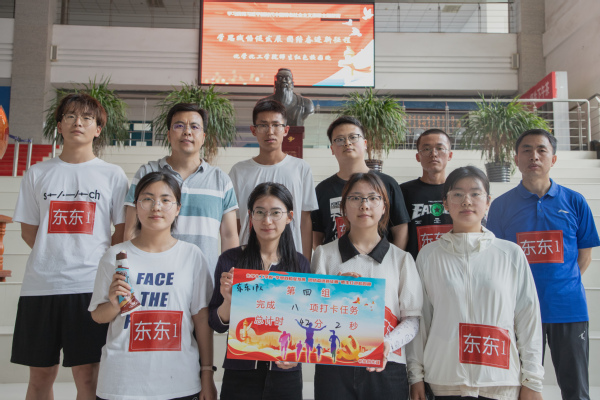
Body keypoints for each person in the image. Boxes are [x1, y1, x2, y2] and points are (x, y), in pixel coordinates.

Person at [10, 93, 129, 399]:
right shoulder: (38, 173)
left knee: (88, 377)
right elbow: (29, 232)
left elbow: (121, 233)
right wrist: (54, 256)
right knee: (40, 377)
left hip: (89, 288)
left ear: (98, 129)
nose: (78, 122)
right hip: (40, 288)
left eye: (87, 118)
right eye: (70, 116)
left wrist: (93, 264)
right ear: (59, 125)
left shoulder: (112, 175)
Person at [407, 166, 544, 400]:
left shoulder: (510, 254)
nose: (466, 201)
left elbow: (527, 319)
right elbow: (421, 321)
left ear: (488, 201)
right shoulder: (429, 255)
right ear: (445, 203)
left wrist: (533, 380)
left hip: (499, 383)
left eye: (475, 193)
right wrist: (415, 376)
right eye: (458, 194)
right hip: (444, 381)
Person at [486, 129, 600, 400]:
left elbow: (584, 255)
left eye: (541, 150)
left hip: (568, 310)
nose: (534, 156)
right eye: (526, 150)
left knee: (576, 389)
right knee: (516, 388)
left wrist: (563, 285)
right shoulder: (501, 206)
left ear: (554, 159)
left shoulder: (575, 201)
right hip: (517, 311)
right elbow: (496, 258)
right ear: (516, 159)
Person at [89, 172, 216, 400]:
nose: (156, 207)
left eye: (166, 200)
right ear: (136, 207)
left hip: (179, 382)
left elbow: (201, 318)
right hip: (122, 384)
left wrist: (207, 372)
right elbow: (98, 316)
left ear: (177, 208)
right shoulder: (115, 255)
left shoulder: (192, 256)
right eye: (147, 199)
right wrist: (114, 304)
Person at [311, 172, 423, 400]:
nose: (364, 205)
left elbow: (412, 320)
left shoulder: (401, 259)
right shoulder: (323, 255)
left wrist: (388, 343)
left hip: (387, 365)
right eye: (355, 198)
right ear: (343, 207)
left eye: (373, 198)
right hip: (334, 365)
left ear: (384, 207)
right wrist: (335, 294)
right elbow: (313, 313)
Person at [208, 182, 311, 400]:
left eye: (275, 213)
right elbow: (216, 323)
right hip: (240, 373)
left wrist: (298, 354)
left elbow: (306, 322)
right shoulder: (230, 260)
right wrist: (228, 301)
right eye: (260, 212)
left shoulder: (300, 264)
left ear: (289, 217)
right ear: (250, 216)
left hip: (285, 373)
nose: (267, 220)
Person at [124, 103, 239, 275]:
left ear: (203, 137)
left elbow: (229, 236)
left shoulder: (221, 180)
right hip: (153, 277)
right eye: (179, 126)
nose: (187, 132)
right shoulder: (147, 173)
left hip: (204, 279)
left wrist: (229, 278)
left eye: (194, 127)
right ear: (169, 135)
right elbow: (132, 230)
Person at [229, 100, 318, 261]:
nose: (270, 131)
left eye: (276, 125)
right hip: (249, 261)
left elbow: (305, 221)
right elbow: (236, 223)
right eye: (263, 125)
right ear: (253, 130)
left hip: (290, 260)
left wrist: (305, 262)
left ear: (286, 130)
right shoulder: (239, 171)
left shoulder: (301, 168)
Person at [312, 116, 410, 250]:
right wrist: (327, 259)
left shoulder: (387, 183)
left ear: (364, 143)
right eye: (340, 139)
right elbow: (316, 235)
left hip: (380, 261)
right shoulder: (322, 190)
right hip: (336, 261)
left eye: (353, 137)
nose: (347, 143)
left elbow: (400, 230)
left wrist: (391, 260)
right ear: (332, 149)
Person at [400, 128, 454, 259]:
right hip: (415, 266)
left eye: (440, 148)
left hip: (452, 264)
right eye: (426, 149)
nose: (433, 154)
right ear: (418, 157)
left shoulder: (459, 192)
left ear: (450, 155)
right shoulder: (402, 192)